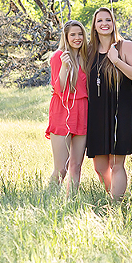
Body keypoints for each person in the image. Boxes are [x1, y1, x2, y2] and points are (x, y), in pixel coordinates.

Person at [85, 7, 132, 200]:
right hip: (97, 114)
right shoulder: (90, 50)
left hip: (121, 110)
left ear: (113, 23)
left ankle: (115, 204)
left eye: (108, 20)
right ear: (94, 25)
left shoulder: (123, 46)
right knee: (100, 167)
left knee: (117, 164)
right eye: (100, 20)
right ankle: (115, 195)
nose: (104, 24)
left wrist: (116, 61)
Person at [46, 20, 89, 193]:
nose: (77, 38)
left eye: (80, 34)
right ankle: (49, 199)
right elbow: (59, 88)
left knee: (76, 165)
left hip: (82, 110)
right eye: (73, 34)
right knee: (61, 167)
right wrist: (65, 66)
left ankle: (71, 201)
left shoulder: (87, 56)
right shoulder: (59, 56)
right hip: (62, 110)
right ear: (66, 37)